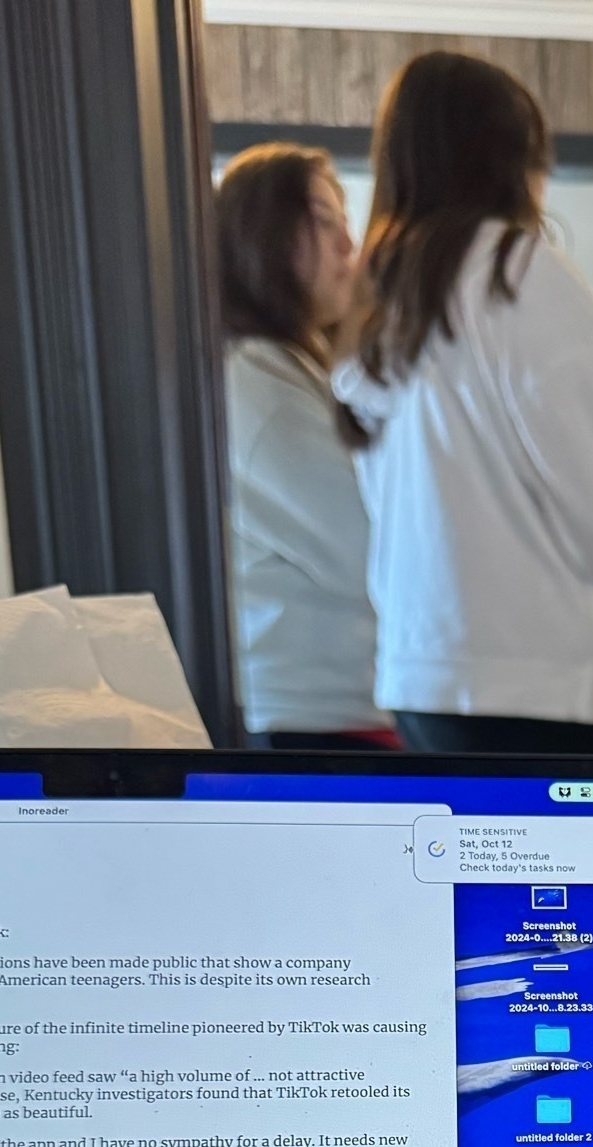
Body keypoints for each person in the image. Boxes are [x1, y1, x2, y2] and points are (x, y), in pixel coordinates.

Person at [332, 51, 593, 755]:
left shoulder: (380, 299)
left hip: (424, 679)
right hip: (537, 689)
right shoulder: (515, 273)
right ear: (509, 162)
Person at [217, 144, 391, 751]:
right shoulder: (256, 383)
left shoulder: (292, 370)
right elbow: (366, 544)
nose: (350, 248)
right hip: (317, 720)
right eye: (326, 219)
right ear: (261, 234)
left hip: (338, 709)